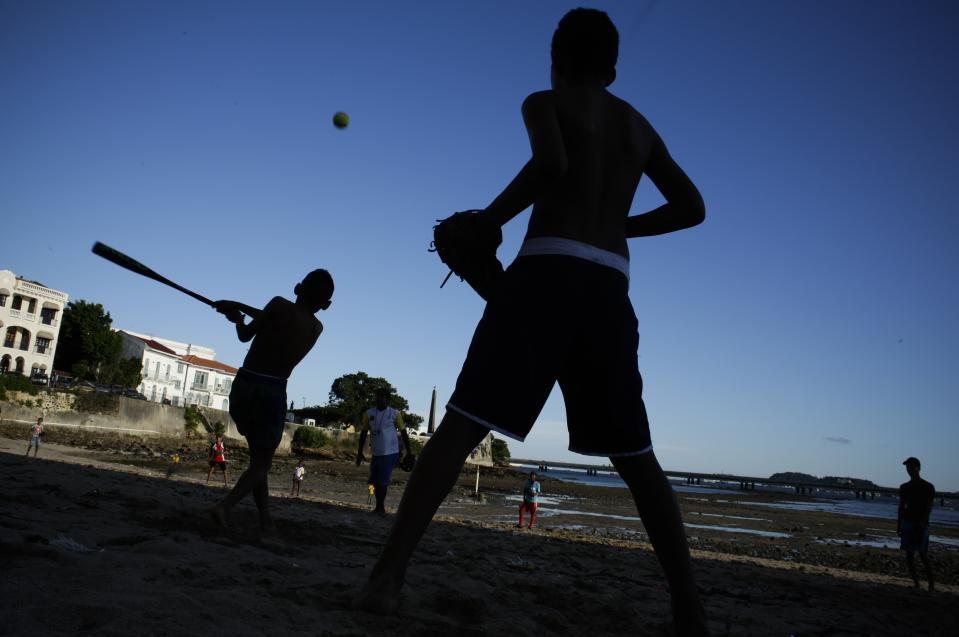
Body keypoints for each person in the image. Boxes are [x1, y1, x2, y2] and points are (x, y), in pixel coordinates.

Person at [356, 9, 708, 634]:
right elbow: (692, 208)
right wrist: (620, 224)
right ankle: (689, 610)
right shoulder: (639, 126)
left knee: (460, 428)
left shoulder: (545, 100)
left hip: (547, 268)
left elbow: (553, 164)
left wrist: (490, 220)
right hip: (609, 288)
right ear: (614, 66)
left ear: (556, 59)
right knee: (637, 458)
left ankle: (386, 579)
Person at [208, 269, 334, 534]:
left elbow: (246, 334)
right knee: (261, 463)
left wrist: (237, 317)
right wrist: (239, 308)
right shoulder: (315, 328)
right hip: (272, 392)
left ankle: (266, 519)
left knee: (258, 461)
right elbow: (283, 318)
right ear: (327, 305)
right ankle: (225, 507)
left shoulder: (277, 304)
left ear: (297, 287)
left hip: (244, 386)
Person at [356, 388, 413, 515]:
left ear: (388, 399)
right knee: (374, 481)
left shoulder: (394, 413)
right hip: (376, 453)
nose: (379, 399)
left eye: (382, 397)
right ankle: (379, 506)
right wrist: (359, 452)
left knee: (382, 482)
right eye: (377, 396)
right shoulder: (369, 413)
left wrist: (409, 452)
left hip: (390, 453)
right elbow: (364, 433)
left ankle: (380, 508)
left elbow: (404, 433)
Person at [898, 457, 935, 591]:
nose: (909, 470)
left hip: (921, 523)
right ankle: (917, 584)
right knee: (909, 555)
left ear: (918, 468)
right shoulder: (904, 487)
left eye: (911, 467)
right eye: (907, 468)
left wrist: (922, 523)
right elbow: (901, 506)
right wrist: (899, 525)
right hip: (907, 522)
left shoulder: (928, 487)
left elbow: (929, 507)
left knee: (923, 554)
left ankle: (931, 584)